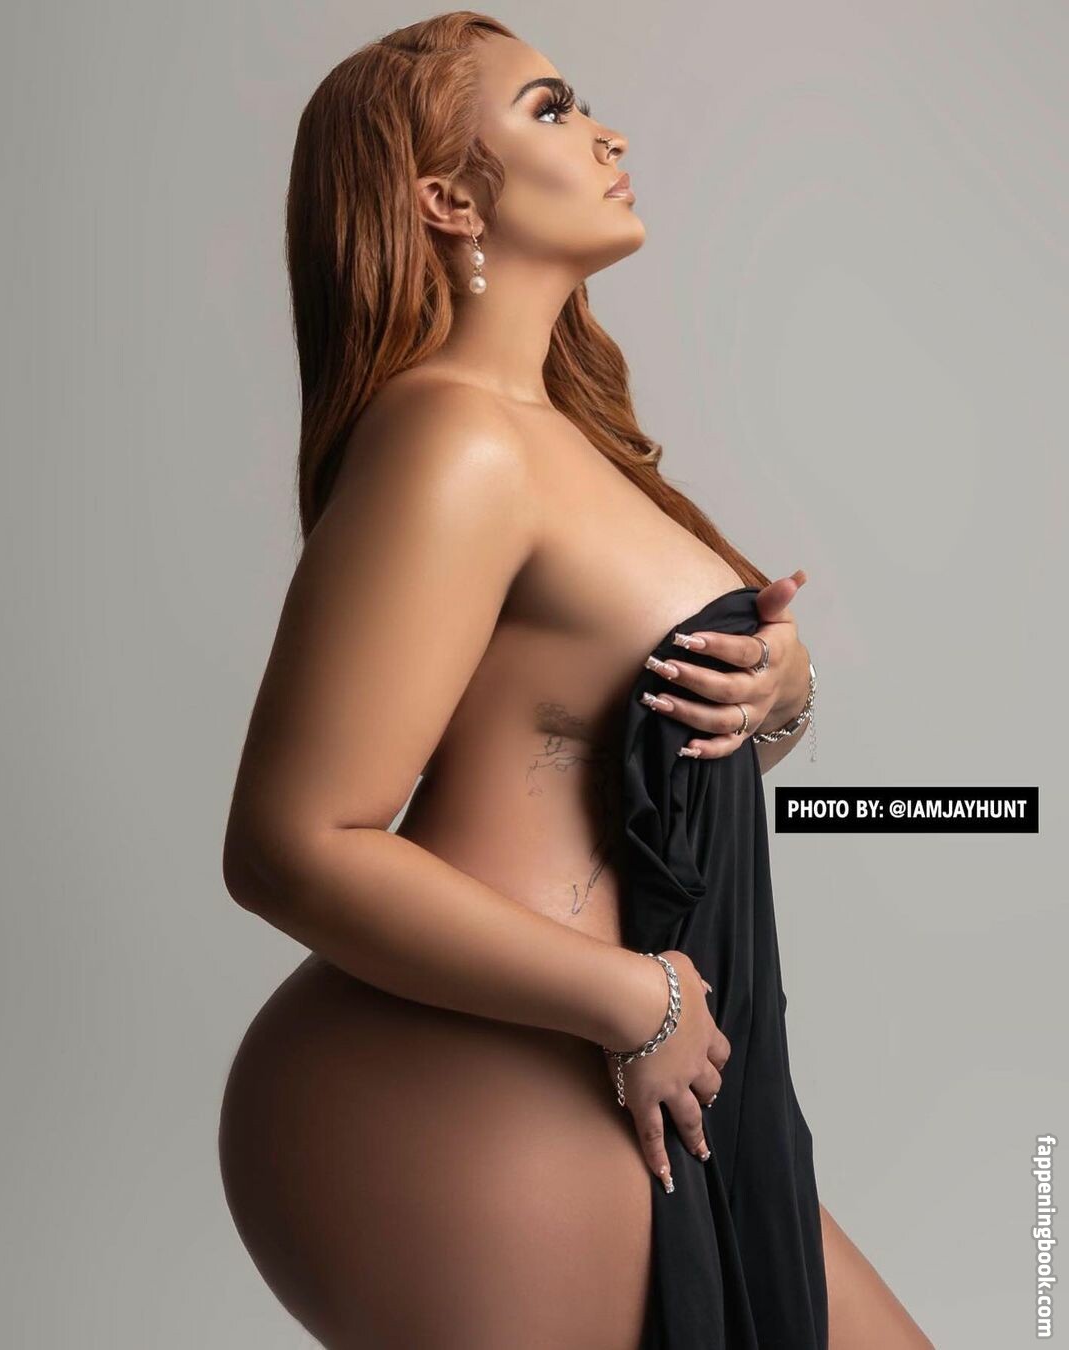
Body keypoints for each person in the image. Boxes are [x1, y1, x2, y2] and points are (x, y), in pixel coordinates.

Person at [218, 12, 935, 1349]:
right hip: (477, 1065)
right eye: (551, 110)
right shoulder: (452, 438)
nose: (608, 135)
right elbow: (288, 845)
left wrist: (775, 690)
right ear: (446, 197)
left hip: (632, 1059)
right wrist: (632, 998)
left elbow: (619, 753)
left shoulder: (563, 438)